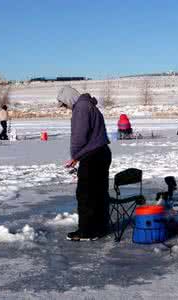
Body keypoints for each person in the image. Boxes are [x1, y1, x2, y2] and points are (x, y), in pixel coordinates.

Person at [57, 86, 112, 241]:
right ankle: (100, 228)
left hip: (93, 157)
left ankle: (87, 232)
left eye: (64, 104)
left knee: (86, 195)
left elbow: (79, 137)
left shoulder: (80, 108)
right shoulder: (89, 105)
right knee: (99, 193)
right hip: (102, 153)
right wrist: (78, 157)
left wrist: (75, 155)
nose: (66, 108)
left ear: (69, 99)